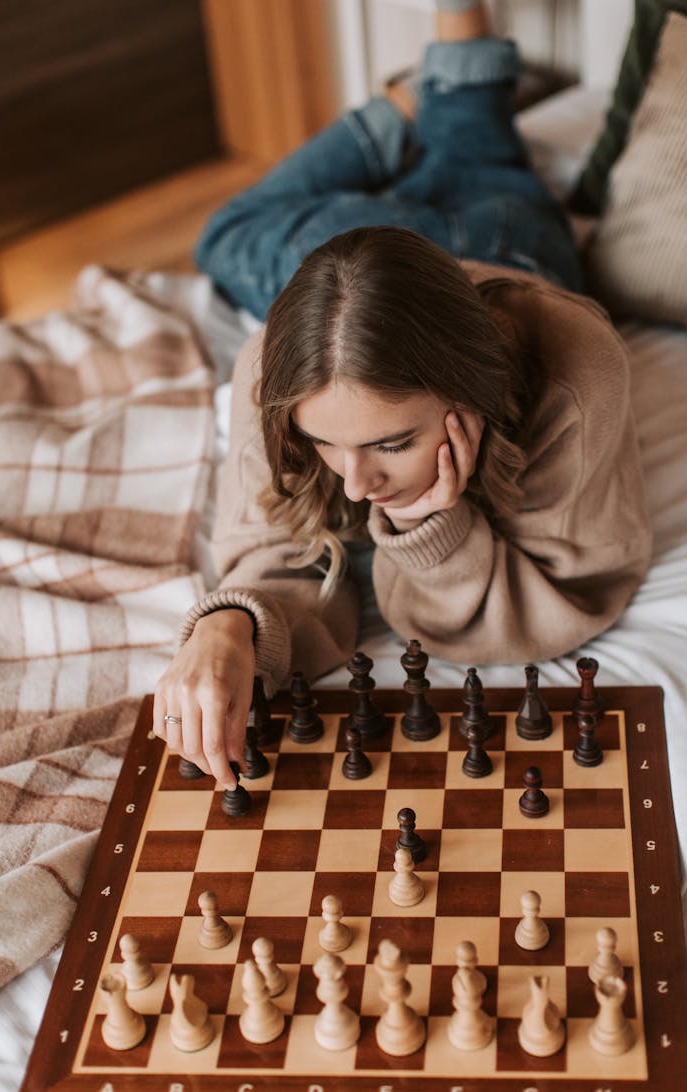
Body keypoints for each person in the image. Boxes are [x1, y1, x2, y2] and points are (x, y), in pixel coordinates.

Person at [153, 0, 652, 789]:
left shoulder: (578, 368)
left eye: (390, 443)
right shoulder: (270, 369)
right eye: (325, 444)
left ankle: (440, 89)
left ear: (473, 398)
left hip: (509, 243)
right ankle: (426, 93)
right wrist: (228, 623)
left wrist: (437, 533)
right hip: (352, 237)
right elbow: (271, 548)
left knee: (483, 164)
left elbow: (575, 592)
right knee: (225, 232)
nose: (353, 484)